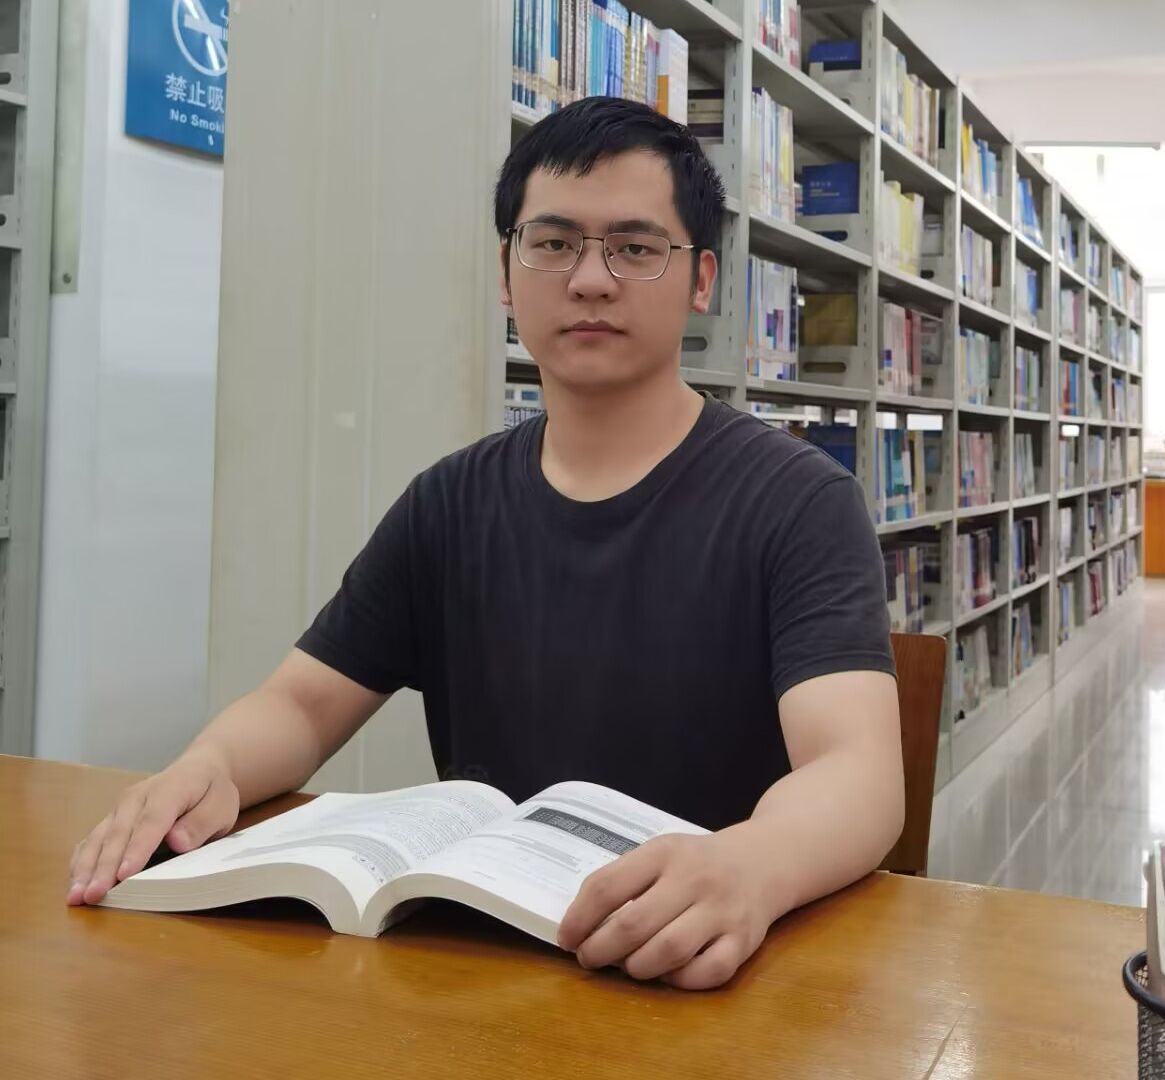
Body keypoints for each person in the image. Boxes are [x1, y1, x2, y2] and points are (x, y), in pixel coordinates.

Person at [65, 97, 905, 991]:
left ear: (702, 280)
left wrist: (752, 866)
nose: (590, 279)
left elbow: (856, 769)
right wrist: (208, 766)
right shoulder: (449, 501)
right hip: (480, 968)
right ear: (506, 273)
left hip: (695, 968)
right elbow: (303, 706)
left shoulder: (799, 502)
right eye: (554, 242)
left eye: (635, 247)